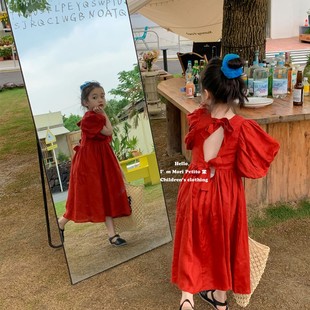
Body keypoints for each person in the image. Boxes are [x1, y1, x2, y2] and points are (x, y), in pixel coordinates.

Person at [171, 54, 280, 310]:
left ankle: (187, 298)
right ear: (236, 90)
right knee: (224, 241)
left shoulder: (198, 119)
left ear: (206, 93)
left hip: (195, 186)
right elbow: (256, 165)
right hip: (227, 194)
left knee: (192, 239)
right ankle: (220, 300)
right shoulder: (243, 127)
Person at [58, 81, 131, 247]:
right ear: (85, 102)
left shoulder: (97, 117)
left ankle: (112, 235)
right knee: (88, 197)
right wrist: (104, 114)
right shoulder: (90, 118)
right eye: (95, 97)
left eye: (102, 96)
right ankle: (62, 222)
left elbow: (107, 134)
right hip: (89, 164)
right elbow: (109, 131)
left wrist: (103, 115)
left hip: (101, 160)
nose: (100, 99)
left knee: (104, 195)